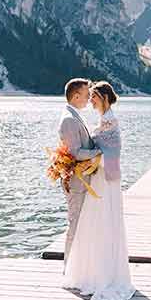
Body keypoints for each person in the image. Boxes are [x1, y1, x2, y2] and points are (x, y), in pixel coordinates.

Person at [63, 80, 135, 300]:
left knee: (103, 223)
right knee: (95, 223)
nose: (90, 100)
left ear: (103, 98)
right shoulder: (105, 119)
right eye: (88, 96)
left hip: (105, 179)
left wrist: (93, 159)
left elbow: (112, 153)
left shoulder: (110, 120)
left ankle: (103, 274)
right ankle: (95, 270)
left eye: (93, 96)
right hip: (100, 178)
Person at [58, 78, 101, 268]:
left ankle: (79, 266)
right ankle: (69, 269)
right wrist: (98, 153)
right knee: (74, 224)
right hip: (76, 182)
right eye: (86, 94)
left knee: (81, 224)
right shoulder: (68, 119)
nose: (89, 98)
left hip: (82, 179)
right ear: (76, 96)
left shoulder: (75, 115)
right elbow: (75, 152)